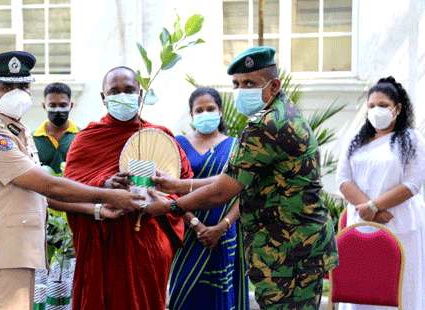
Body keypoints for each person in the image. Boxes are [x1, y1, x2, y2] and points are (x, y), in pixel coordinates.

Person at [145, 46, 338, 309]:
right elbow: (234, 175)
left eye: (250, 83)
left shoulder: (264, 126)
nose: (241, 90)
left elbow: (222, 191)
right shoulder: (284, 111)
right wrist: (178, 184)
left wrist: (171, 205)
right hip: (299, 244)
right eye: (236, 84)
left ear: (274, 85)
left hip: (286, 250)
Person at [0, 52, 143, 310]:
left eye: (22, 86)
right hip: (2, 256)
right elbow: (47, 184)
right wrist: (111, 196)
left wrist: (96, 210)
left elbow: (42, 196)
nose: (16, 93)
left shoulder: (17, 130)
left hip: (16, 253)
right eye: (6, 87)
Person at [63, 66, 193, 310]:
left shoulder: (160, 136)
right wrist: (104, 184)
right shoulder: (87, 140)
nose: (122, 96)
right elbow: (67, 190)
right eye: (114, 91)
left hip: (148, 242)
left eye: (129, 90)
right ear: (104, 98)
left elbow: (182, 187)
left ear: (140, 94)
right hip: (104, 245)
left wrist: (158, 199)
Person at [336, 76, 425, 310]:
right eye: (372, 106)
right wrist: (370, 210)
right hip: (361, 223)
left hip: (399, 224)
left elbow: (413, 183)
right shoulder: (357, 139)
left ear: (398, 108)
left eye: (383, 105)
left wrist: (374, 207)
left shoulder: (411, 139)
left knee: (399, 289)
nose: (377, 110)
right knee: (362, 289)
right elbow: (343, 179)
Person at [169, 87, 249, 310]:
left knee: (219, 298)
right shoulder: (178, 144)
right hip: (186, 234)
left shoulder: (236, 147)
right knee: (184, 295)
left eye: (210, 108)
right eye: (199, 110)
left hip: (223, 234)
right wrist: (195, 223)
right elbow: (171, 190)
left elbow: (244, 192)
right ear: (192, 114)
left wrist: (222, 226)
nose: (205, 113)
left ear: (220, 111)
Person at [33, 82, 78, 174]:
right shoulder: (31, 139)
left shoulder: (82, 136)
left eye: (63, 105)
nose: (57, 110)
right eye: (52, 105)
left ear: (71, 106)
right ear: (44, 106)